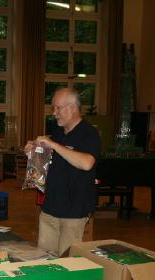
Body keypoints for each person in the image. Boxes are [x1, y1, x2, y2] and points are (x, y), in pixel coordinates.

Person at [25, 88, 101, 257]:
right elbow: (45, 165)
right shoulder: (58, 134)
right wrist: (33, 152)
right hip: (50, 207)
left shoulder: (89, 133)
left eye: (58, 108)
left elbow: (87, 163)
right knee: (44, 258)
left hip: (74, 211)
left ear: (72, 107)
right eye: (53, 108)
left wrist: (53, 145)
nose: (54, 113)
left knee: (68, 261)